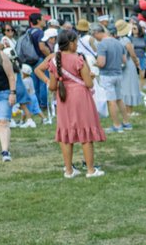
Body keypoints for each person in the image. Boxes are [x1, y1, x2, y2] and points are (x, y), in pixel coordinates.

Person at [35, 29, 106, 178]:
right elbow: (88, 83)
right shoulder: (78, 59)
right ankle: (91, 170)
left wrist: (49, 81)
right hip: (80, 96)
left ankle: (68, 170)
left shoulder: (54, 60)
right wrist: (90, 76)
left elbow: (53, 86)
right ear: (72, 43)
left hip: (63, 97)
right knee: (85, 132)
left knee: (66, 133)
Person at [92, 23, 129, 132]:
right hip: (118, 73)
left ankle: (117, 125)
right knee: (119, 99)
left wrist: (95, 64)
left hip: (107, 75)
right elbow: (124, 60)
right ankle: (126, 122)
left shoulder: (102, 45)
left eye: (94, 35)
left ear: (97, 33)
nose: (94, 38)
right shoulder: (118, 43)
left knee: (111, 101)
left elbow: (101, 63)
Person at [0, 35, 15, 162]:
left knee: (3, 121)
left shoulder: (0, 55)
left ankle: (5, 152)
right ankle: (3, 145)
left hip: (3, 93)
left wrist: (12, 93)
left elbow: (11, 76)